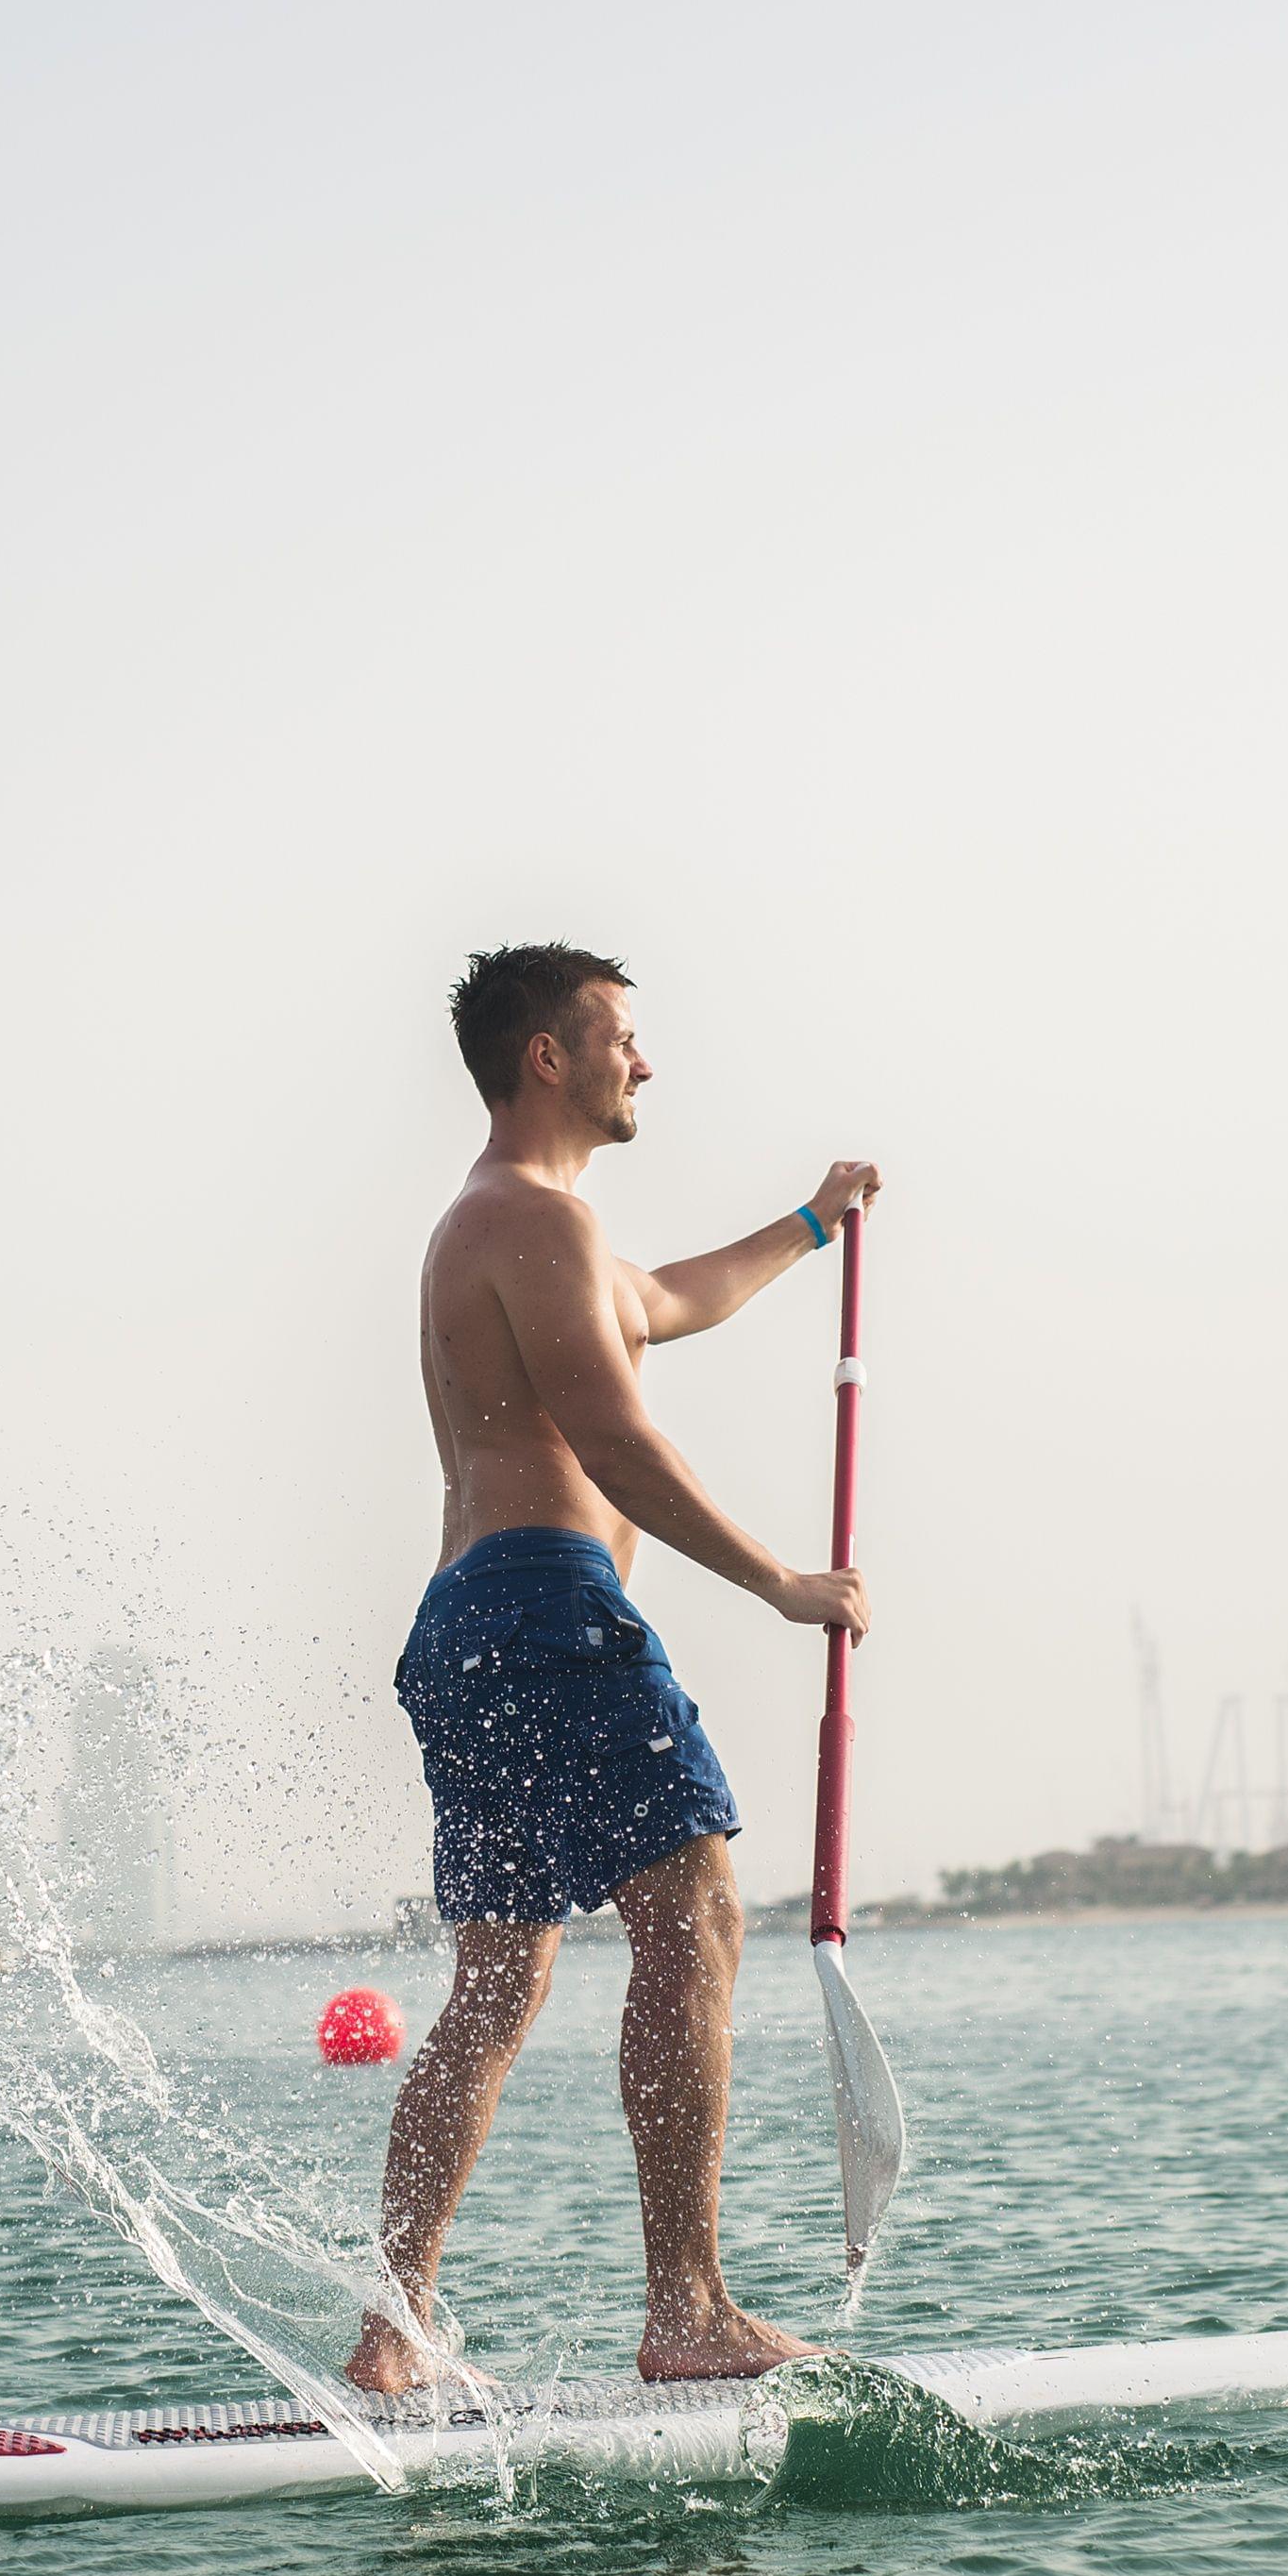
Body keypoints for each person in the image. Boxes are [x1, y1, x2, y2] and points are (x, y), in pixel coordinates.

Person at [345, 942, 878, 2393]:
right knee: (695, 1915)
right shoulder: (531, 1220)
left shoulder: (507, 1227)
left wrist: (808, 1225)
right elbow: (618, 1437)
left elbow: (669, 1302)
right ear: (548, 1057)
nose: (643, 1063)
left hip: (462, 1623)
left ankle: (395, 2324)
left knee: (501, 1980)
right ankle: (688, 2308)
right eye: (620, 1038)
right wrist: (780, 1582)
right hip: (546, 1605)